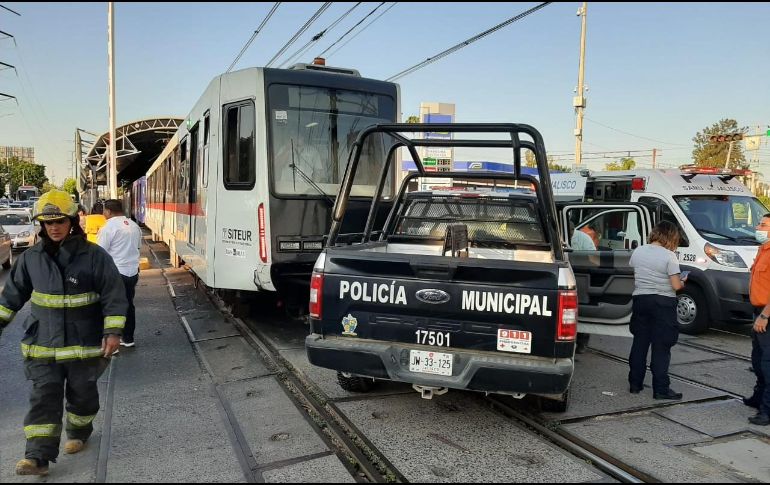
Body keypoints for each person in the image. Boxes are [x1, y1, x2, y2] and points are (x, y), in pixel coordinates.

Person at [0, 190, 127, 476]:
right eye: (47, 223)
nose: (53, 227)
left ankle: (79, 432)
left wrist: (113, 331)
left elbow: (114, 295)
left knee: (82, 397)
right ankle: (37, 457)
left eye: (59, 221)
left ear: (72, 221)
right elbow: (11, 298)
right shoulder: (31, 258)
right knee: (44, 396)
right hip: (43, 345)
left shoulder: (95, 256)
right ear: (42, 226)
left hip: (83, 346)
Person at [628, 220, 686, 400]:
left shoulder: (638, 251)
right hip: (663, 304)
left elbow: (636, 271)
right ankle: (660, 389)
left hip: (641, 300)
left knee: (640, 342)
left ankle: (635, 384)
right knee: (661, 347)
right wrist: (683, 280)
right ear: (671, 237)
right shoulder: (670, 256)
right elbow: (675, 286)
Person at [98, 199, 142, 348]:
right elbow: (138, 247)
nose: (103, 213)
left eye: (104, 211)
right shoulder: (134, 226)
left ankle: (112, 344)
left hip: (115, 273)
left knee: (111, 307)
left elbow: (100, 253)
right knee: (129, 304)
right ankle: (128, 338)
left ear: (108, 211)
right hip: (132, 272)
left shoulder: (108, 227)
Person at [745, 213, 770, 426]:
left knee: (768, 362)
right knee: (758, 359)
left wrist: (764, 315)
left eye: (763, 224)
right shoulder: (762, 249)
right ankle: (758, 397)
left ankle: (767, 410)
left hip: (767, 314)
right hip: (758, 311)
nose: (759, 227)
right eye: (760, 223)